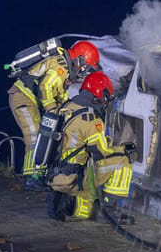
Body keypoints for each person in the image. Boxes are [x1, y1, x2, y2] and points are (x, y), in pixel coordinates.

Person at [7, 40, 101, 190]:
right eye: (85, 66)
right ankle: (32, 178)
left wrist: (63, 111)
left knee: (44, 137)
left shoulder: (66, 69)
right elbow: (46, 87)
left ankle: (40, 174)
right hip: (22, 97)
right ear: (80, 58)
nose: (84, 70)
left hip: (30, 100)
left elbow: (60, 95)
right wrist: (52, 110)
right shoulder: (60, 67)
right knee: (34, 136)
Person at [45, 71, 135, 223]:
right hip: (73, 178)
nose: (106, 102)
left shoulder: (67, 106)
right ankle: (111, 212)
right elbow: (102, 154)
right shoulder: (91, 120)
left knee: (86, 210)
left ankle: (65, 201)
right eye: (106, 98)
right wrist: (123, 149)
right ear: (99, 95)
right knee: (123, 161)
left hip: (54, 175)